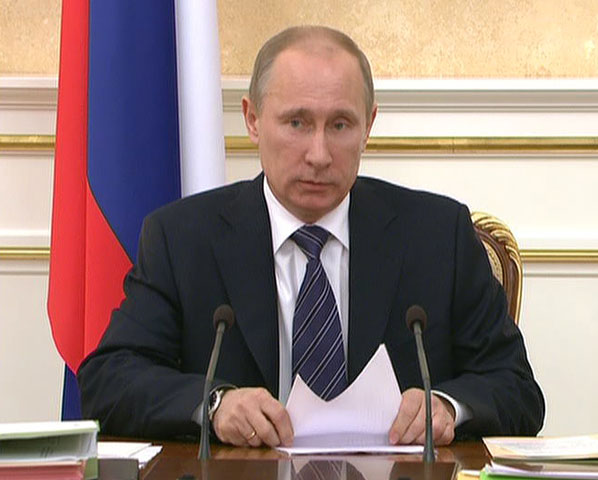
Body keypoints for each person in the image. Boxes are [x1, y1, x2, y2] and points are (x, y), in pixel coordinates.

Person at [78, 25, 544, 448]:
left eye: (339, 125)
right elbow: (109, 380)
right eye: (297, 123)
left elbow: (518, 388)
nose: (318, 154)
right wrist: (215, 405)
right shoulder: (183, 237)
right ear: (253, 119)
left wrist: (448, 407)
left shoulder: (438, 235)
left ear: (368, 126)